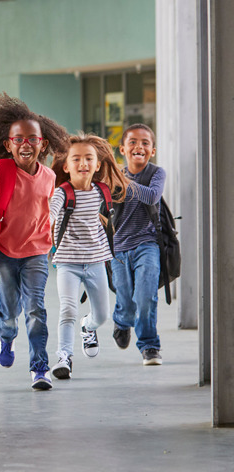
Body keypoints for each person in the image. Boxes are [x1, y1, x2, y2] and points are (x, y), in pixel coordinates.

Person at [0, 93, 69, 390]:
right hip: (6, 253)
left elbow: (49, 210)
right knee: (10, 312)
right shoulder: (1, 171)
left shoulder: (49, 176)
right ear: (8, 145)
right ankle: (6, 338)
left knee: (36, 309)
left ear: (43, 144)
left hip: (37, 252)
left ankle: (39, 368)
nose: (26, 144)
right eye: (18, 139)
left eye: (32, 139)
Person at [47, 134, 128, 379]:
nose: (83, 163)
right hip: (67, 263)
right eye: (76, 159)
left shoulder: (102, 191)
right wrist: (46, 223)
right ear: (66, 166)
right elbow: (51, 210)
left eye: (88, 158)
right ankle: (63, 357)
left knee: (102, 315)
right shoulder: (62, 193)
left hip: (96, 262)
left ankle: (87, 326)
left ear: (97, 165)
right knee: (67, 309)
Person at [110, 124, 166, 365]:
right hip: (119, 246)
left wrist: (124, 181)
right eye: (132, 142)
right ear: (123, 149)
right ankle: (122, 321)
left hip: (148, 244)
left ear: (152, 150)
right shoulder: (114, 176)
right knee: (125, 298)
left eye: (145, 143)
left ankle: (149, 345)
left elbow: (152, 196)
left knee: (145, 296)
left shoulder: (156, 173)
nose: (138, 146)